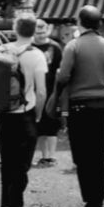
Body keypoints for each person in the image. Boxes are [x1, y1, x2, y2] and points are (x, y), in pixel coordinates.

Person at [53, 4, 104, 207]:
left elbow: (63, 76)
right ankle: (97, 200)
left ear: (79, 22)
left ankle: (89, 200)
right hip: (100, 105)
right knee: (98, 154)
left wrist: (58, 91)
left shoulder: (73, 46)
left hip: (79, 105)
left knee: (82, 156)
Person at [0, 15, 47, 207]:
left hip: (4, 113)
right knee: (22, 164)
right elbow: (41, 92)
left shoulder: (1, 51)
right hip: (25, 113)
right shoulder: (36, 55)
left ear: (15, 28)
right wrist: (38, 115)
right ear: (34, 31)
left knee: (7, 161)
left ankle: (6, 203)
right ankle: (15, 206)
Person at [32, 20, 65, 167]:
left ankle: (51, 156)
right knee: (39, 125)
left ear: (48, 30)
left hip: (52, 91)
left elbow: (61, 69)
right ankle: (44, 156)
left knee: (52, 125)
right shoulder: (30, 47)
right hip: (34, 91)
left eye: (42, 32)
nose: (40, 35)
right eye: (37, 33)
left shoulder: (55, 47)